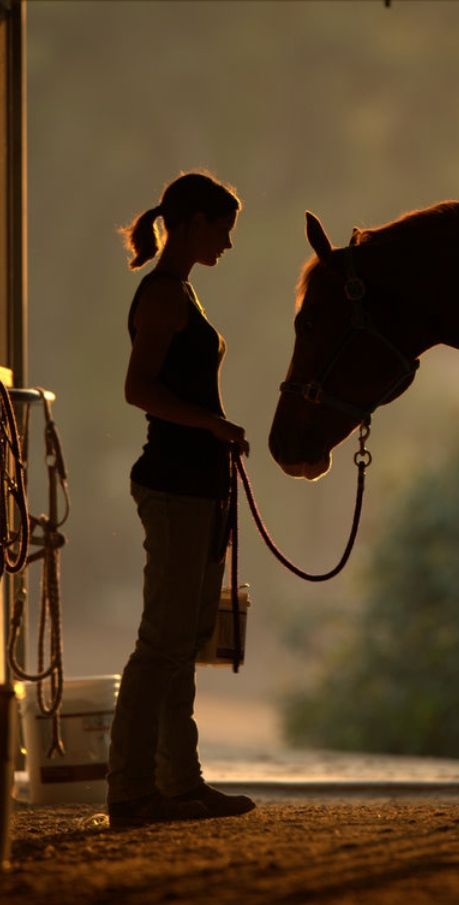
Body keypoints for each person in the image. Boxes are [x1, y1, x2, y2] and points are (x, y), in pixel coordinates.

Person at [107, 171, 255, 828]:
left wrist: (215, 438)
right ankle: (133, 790)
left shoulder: (182, 293)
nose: (227, 241)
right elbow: (139, 389)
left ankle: (178, 782)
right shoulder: (164, 297)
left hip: (198, 484)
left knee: (185, 636)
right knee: (162, 641)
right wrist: (212, 425)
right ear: (195, 222)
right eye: (223, 227)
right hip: (172, 484)